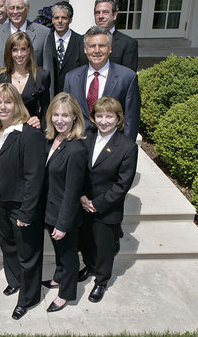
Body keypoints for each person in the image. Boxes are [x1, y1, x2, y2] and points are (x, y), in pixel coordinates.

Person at [0, 83, 45, 320]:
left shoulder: (28, 134)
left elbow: (35, 177)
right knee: (8, 244)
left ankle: (29, 297)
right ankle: (15, 281)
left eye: (8, 101)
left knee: (27, 252)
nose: (3, 106)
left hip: (21, 203)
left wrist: (26, 212)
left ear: (17, 104)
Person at [78, 96, 138, 303]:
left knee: (104, 247)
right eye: (99, 116)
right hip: (84, 203)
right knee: (86, 241)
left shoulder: (127, 147)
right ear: (93, 118)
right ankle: (90, 266)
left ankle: (101, 281)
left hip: (106, 208)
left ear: (118, 118)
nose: (104, 121)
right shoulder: (86, 136)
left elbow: (122, 184)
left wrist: (98, 203)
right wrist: (82, 197)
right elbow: (79, 170)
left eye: (109, 116)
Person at [42, 93, 88, 312]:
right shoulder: (53, 139)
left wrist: (62, 224)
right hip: (50, 209)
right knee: (59, 252)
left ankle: (66, 294)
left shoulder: (76, 149)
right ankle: (59, 278)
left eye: (66, 116)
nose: (60, 120)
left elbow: (72, 192)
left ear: (75, 118)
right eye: (56, 115)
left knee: (68, 255)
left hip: (64, 214)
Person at [64, 25, 141, 142]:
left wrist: (124, 150)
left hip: (111, 147)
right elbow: (67, 114)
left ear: (110, 48)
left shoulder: (127, 77)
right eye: (92, 46)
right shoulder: (71, 77)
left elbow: (131, 119)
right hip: (78, 144)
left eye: (102, 46)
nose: (97, 51)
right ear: (85, 49)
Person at [0, 0, 49, 87]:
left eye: (19, 7)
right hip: (3, 95)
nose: (15, 11)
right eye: (12, 8)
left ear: (27, 9)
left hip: (33, 95)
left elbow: (48, 70)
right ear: (7, 10)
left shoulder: (43, 33)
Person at [0, 31, 50, 127]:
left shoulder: (41, 76)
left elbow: (45, 110)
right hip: (6, 131)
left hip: (31, 132)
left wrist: (39, 122)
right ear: (9, 52)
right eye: (15, 50)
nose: (19, 54)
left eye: (23, 49)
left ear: (29, 50)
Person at [42, 1, 87, 96]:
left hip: (73, 97)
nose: (60, 21)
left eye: (64, 18)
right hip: (49, 98)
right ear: (52, 20)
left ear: (70, 20)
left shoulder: (81, 41)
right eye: (56, 17)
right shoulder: (45, 41)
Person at [94, 0, 138, 72]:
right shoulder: (83, 40)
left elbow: (128, 76)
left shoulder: (128, 44)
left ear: (114, 15)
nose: (101, 16)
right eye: (97, 13)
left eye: (105, 12)